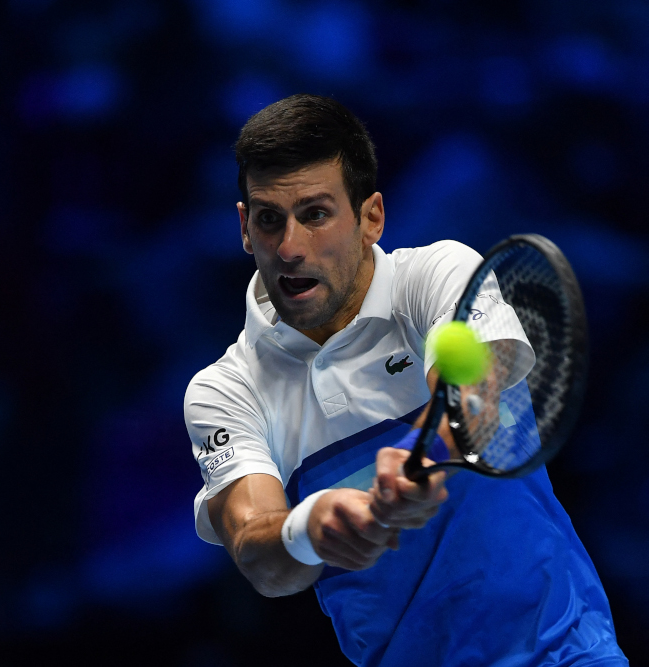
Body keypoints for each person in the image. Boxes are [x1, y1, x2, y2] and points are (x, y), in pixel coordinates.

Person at [185, 94, 627, 666]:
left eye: (316, 214)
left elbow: (475, 398)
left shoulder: (437, 274)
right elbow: (258, 555)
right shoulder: (224, 391)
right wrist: (311, 527)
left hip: (562, 652)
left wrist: (426, 452)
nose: (290, 248)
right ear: (245, 228)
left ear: (371, 217)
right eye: (270, 219)